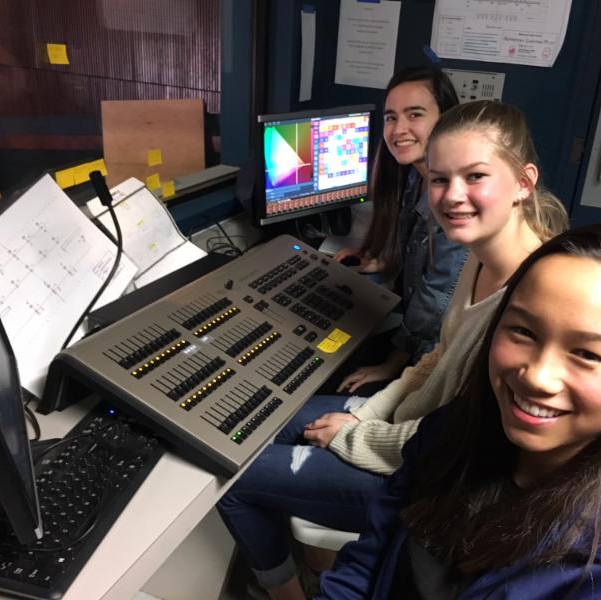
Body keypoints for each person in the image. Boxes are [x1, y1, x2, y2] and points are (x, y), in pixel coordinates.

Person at [216, 100, 569, 600]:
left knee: (231, 478)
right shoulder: (479, 256)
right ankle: (318, 563)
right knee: (260, 421)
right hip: (406, 431)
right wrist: (367, 414)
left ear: (523, 183)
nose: (453, 196)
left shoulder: (530, 298)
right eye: (440, 180)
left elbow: (460, 441)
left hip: (434, 479)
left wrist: (355, 438)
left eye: (475, 176)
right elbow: (438, 361)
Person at [319, 224, 601, 600]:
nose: (537, 377)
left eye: (587, 354)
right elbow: (368, 562)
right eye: (523, 332)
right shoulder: (450, 431)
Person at [331, 65, 467, 395]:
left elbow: (435, 304)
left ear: (446, 118)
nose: (398, 129)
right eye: (391, 117)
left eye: (415, 114)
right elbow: (418, 250)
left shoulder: (456, 202)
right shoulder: (415, 177)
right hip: (413, 345)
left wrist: (391, 365)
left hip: (431, 363)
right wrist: (384, 261)